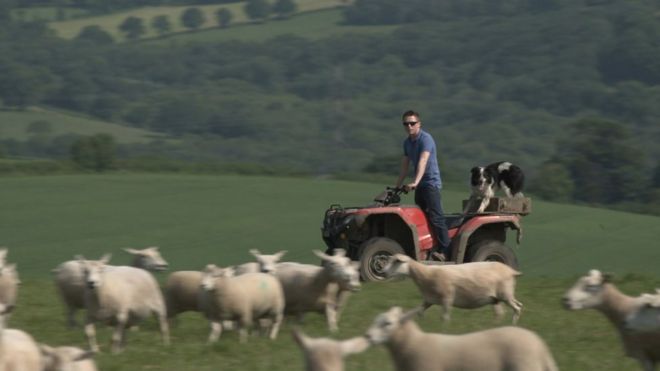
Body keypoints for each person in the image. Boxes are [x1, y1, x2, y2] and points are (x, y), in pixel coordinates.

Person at [394, 110, 450, 261]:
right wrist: (396, 186)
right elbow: (405, 166)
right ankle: (430, 248)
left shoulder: (426, 139)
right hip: (419, 185)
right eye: (406, 124)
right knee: (422, 218)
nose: (409, 126)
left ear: (419, 124)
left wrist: (416, 182)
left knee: (436, 217)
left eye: (412, 123)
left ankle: (445, 250)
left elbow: (423, 161)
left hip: (430, 183)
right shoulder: (407, 143)